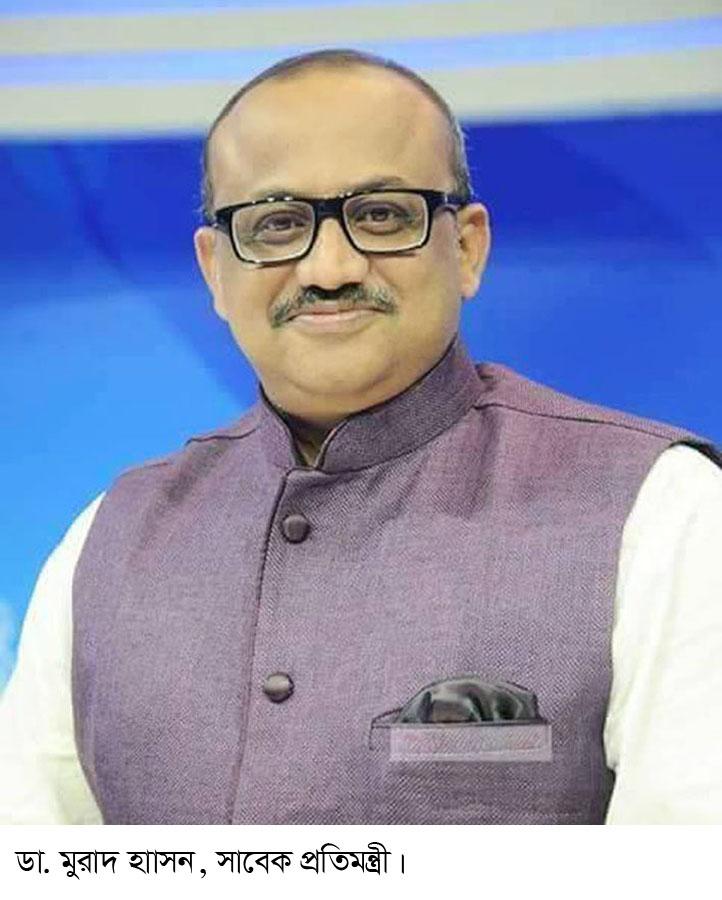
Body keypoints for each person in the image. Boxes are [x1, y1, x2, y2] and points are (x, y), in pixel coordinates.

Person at [1, 48, 721, 825]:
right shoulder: (109, 540)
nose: (330, 268)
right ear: (215, 271)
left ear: (467, 247)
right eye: (277, 223)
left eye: (381, 215)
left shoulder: (661, 512)